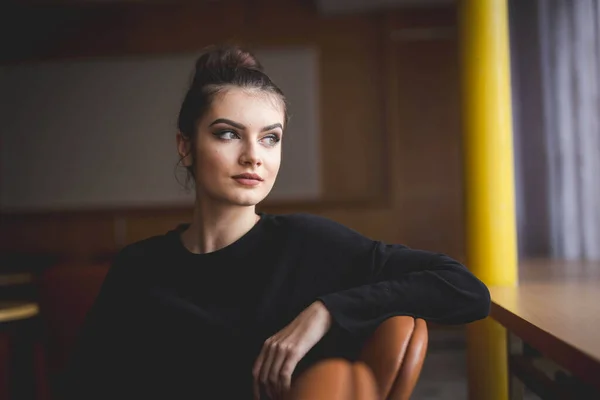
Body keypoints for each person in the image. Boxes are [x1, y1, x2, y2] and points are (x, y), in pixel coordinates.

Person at [62, 45, 490, 400]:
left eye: (270, 137)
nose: (254, 155)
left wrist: (327, 311)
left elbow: (465, 289)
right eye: (228, 133)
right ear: (186, 146)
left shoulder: (310, 244)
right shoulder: (138, 267)